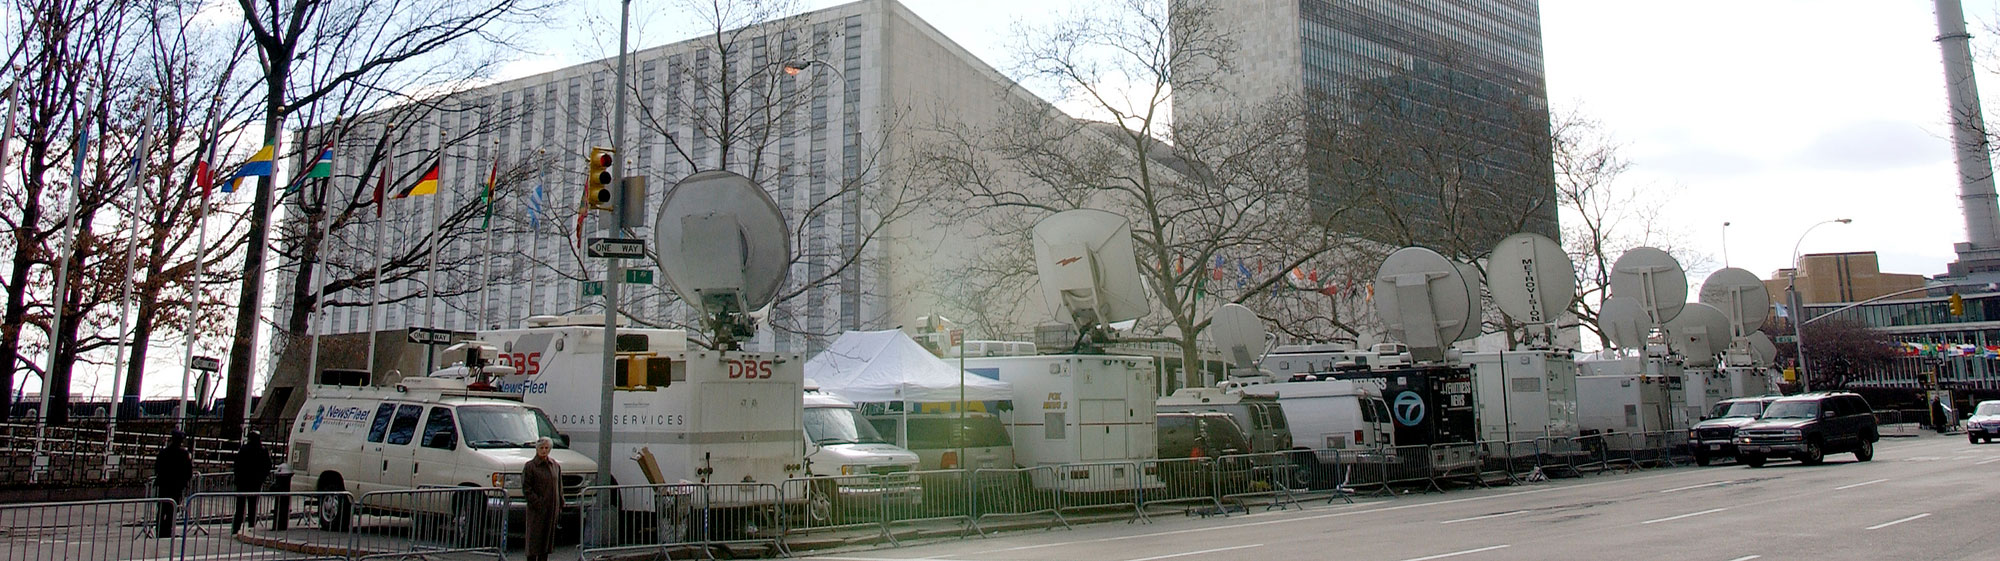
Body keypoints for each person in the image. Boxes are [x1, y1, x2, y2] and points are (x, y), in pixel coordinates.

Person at [522, 437, 562, 561]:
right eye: (541, 448)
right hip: (537, 510)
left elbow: (559, 486)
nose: (544, 451)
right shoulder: (530, 466)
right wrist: (537, 503)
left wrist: (561, 503)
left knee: (546, 541)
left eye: (546, 448)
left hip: (551, 509)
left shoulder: (555, 465)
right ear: (537, 449)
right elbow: (526, 488)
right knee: (534, 541)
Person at [153, 431, 193, 538]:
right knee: (172, 509)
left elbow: (157, 468)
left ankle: (160, 531)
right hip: (176, 486)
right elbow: (188, 471)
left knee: (161, 509)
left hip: (164, 484)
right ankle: (167, 531)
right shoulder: (184, 454)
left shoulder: (164, 452)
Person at [231, 430, 272, 534]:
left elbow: (237, 465)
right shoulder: (262, 450)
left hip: (243, 482)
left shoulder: (244, 449)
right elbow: (268, 466)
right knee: (253, 506)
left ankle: (236, 527)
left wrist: (237, 477)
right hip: (255, 482)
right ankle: (251, 526)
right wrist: (262, 477)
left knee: (240, 507)